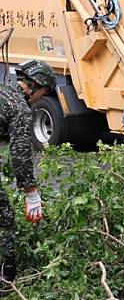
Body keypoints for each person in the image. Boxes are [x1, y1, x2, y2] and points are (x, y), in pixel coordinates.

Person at [0, 60, 55, 285]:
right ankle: (7, 277)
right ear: (35, 85)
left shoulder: (2, 91)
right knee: (5, 218)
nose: (41, 98)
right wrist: (31, 193)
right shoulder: (19, 108)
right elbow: (20, 154)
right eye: (43, 92)